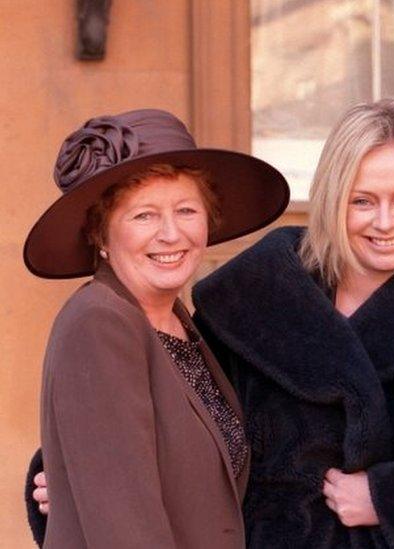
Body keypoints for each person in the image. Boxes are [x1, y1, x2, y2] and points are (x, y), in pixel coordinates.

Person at [188, 99, 394, 547]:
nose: (386, 223)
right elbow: (180, 413)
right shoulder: (252, 294)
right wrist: (88, 468)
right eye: (363, 201)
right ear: (333, 199)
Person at [23, 108, 289, 547]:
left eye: (186, 210)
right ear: (102, 238)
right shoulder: (99, 323)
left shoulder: (182, 325)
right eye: (144, 216)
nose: (171, 234)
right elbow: (125, 527)